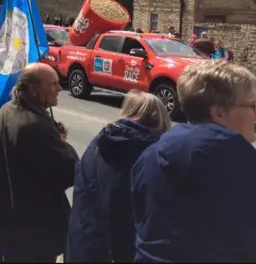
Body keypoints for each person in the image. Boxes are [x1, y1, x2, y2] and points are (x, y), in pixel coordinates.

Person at [131, 60, 256, 262]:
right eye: (252, 105)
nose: (255, 115)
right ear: (220, 113)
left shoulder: (150, 155)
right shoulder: (239, 162)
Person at [66, 90, 171, 263]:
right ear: (160, 119)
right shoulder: (149, 154)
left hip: (82, 242)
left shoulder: (100, 141)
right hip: (118, 251)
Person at [0, 63, 78, 263]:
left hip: (9, 222)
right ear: (33, 89)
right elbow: (69, 171)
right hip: (33, 231)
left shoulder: (6, 109)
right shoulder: (35, 125)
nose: (59, 88)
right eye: (53, 84)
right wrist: (61, 142)